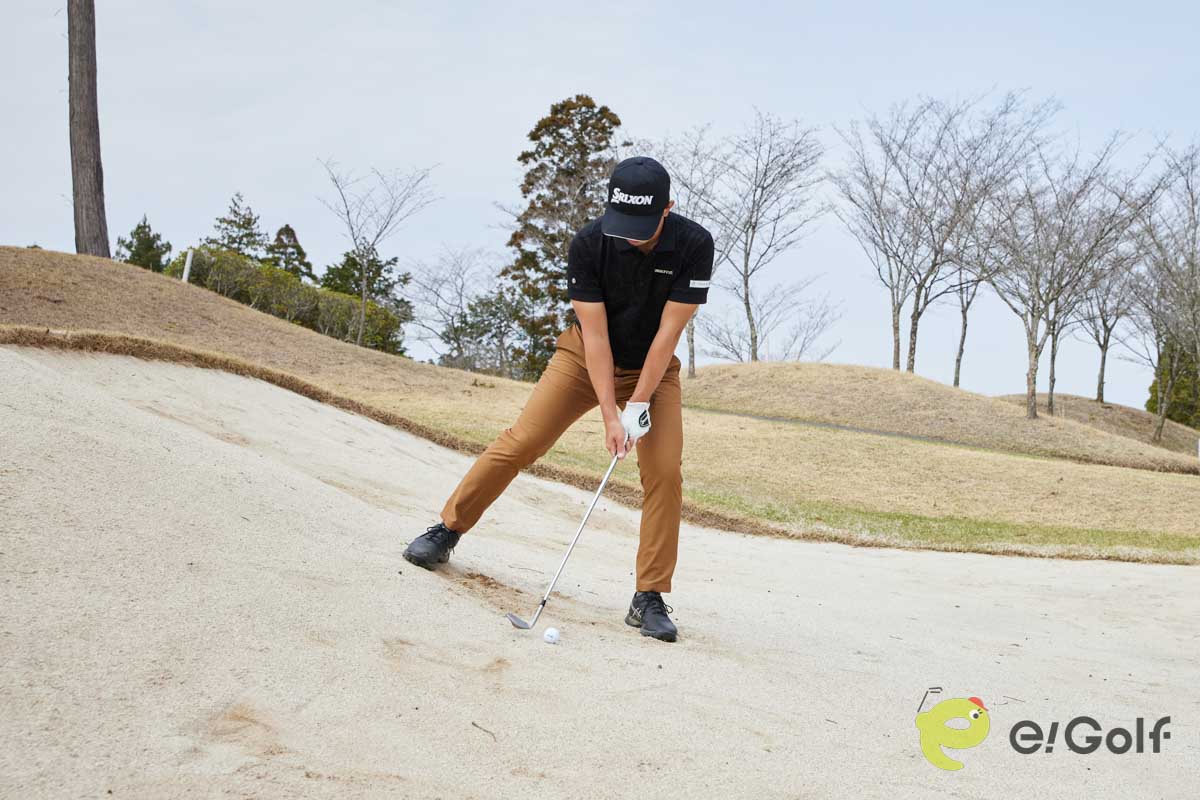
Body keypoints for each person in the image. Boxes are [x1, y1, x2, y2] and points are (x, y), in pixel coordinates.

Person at [404, 156, 714, 643]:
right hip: (584, 358)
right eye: (623, 223)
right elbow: (595, 337)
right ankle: (447, 529)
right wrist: (610, 414)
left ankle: (649, 596)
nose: (630, 237)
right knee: (523, 440)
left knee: (664, 471)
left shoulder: (694, 244)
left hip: (652, 370)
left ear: (667, 209)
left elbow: (667, 336)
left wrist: (638, 404)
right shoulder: (589, 243)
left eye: (642, 226)